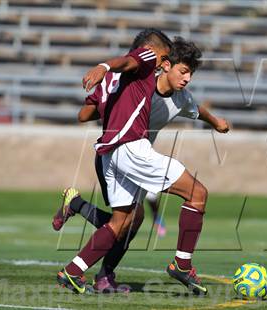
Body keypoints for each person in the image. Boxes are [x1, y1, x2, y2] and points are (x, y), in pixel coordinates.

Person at [53, 37, 229, 294]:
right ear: (164, 63)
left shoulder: (181, 97)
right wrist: (104, 71)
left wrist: (216, 122)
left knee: (123, 223)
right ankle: (182, 264)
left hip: (117, 153)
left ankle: (73, 271)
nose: (188, 78)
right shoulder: (141, 72)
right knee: (197, 193)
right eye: (184, 71)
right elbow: (125, 64)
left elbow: (197, 110)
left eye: (191, 73)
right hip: (129, 149)